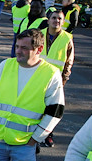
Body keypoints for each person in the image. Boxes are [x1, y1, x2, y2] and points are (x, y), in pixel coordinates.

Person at [0, 29, 64, 161]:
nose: (18, 51)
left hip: (25, 145)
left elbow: (56, 112)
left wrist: (35, 139)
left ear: (39, 49)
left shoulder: (51, 74)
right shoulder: (5, 65)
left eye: (24, 48)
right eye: (17, 47)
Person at [39, 10, 74, 148]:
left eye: (60, 19)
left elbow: (68, 62)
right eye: (54, 18)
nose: (56, 21)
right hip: (38, 78)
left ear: (63, 21)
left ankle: (48, 135)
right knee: (37, 107)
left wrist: (63, 79)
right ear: (48, 20)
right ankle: (35, 134)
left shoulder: (67, 38)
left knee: (52, 109)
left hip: (56, 80)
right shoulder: (40, 34)